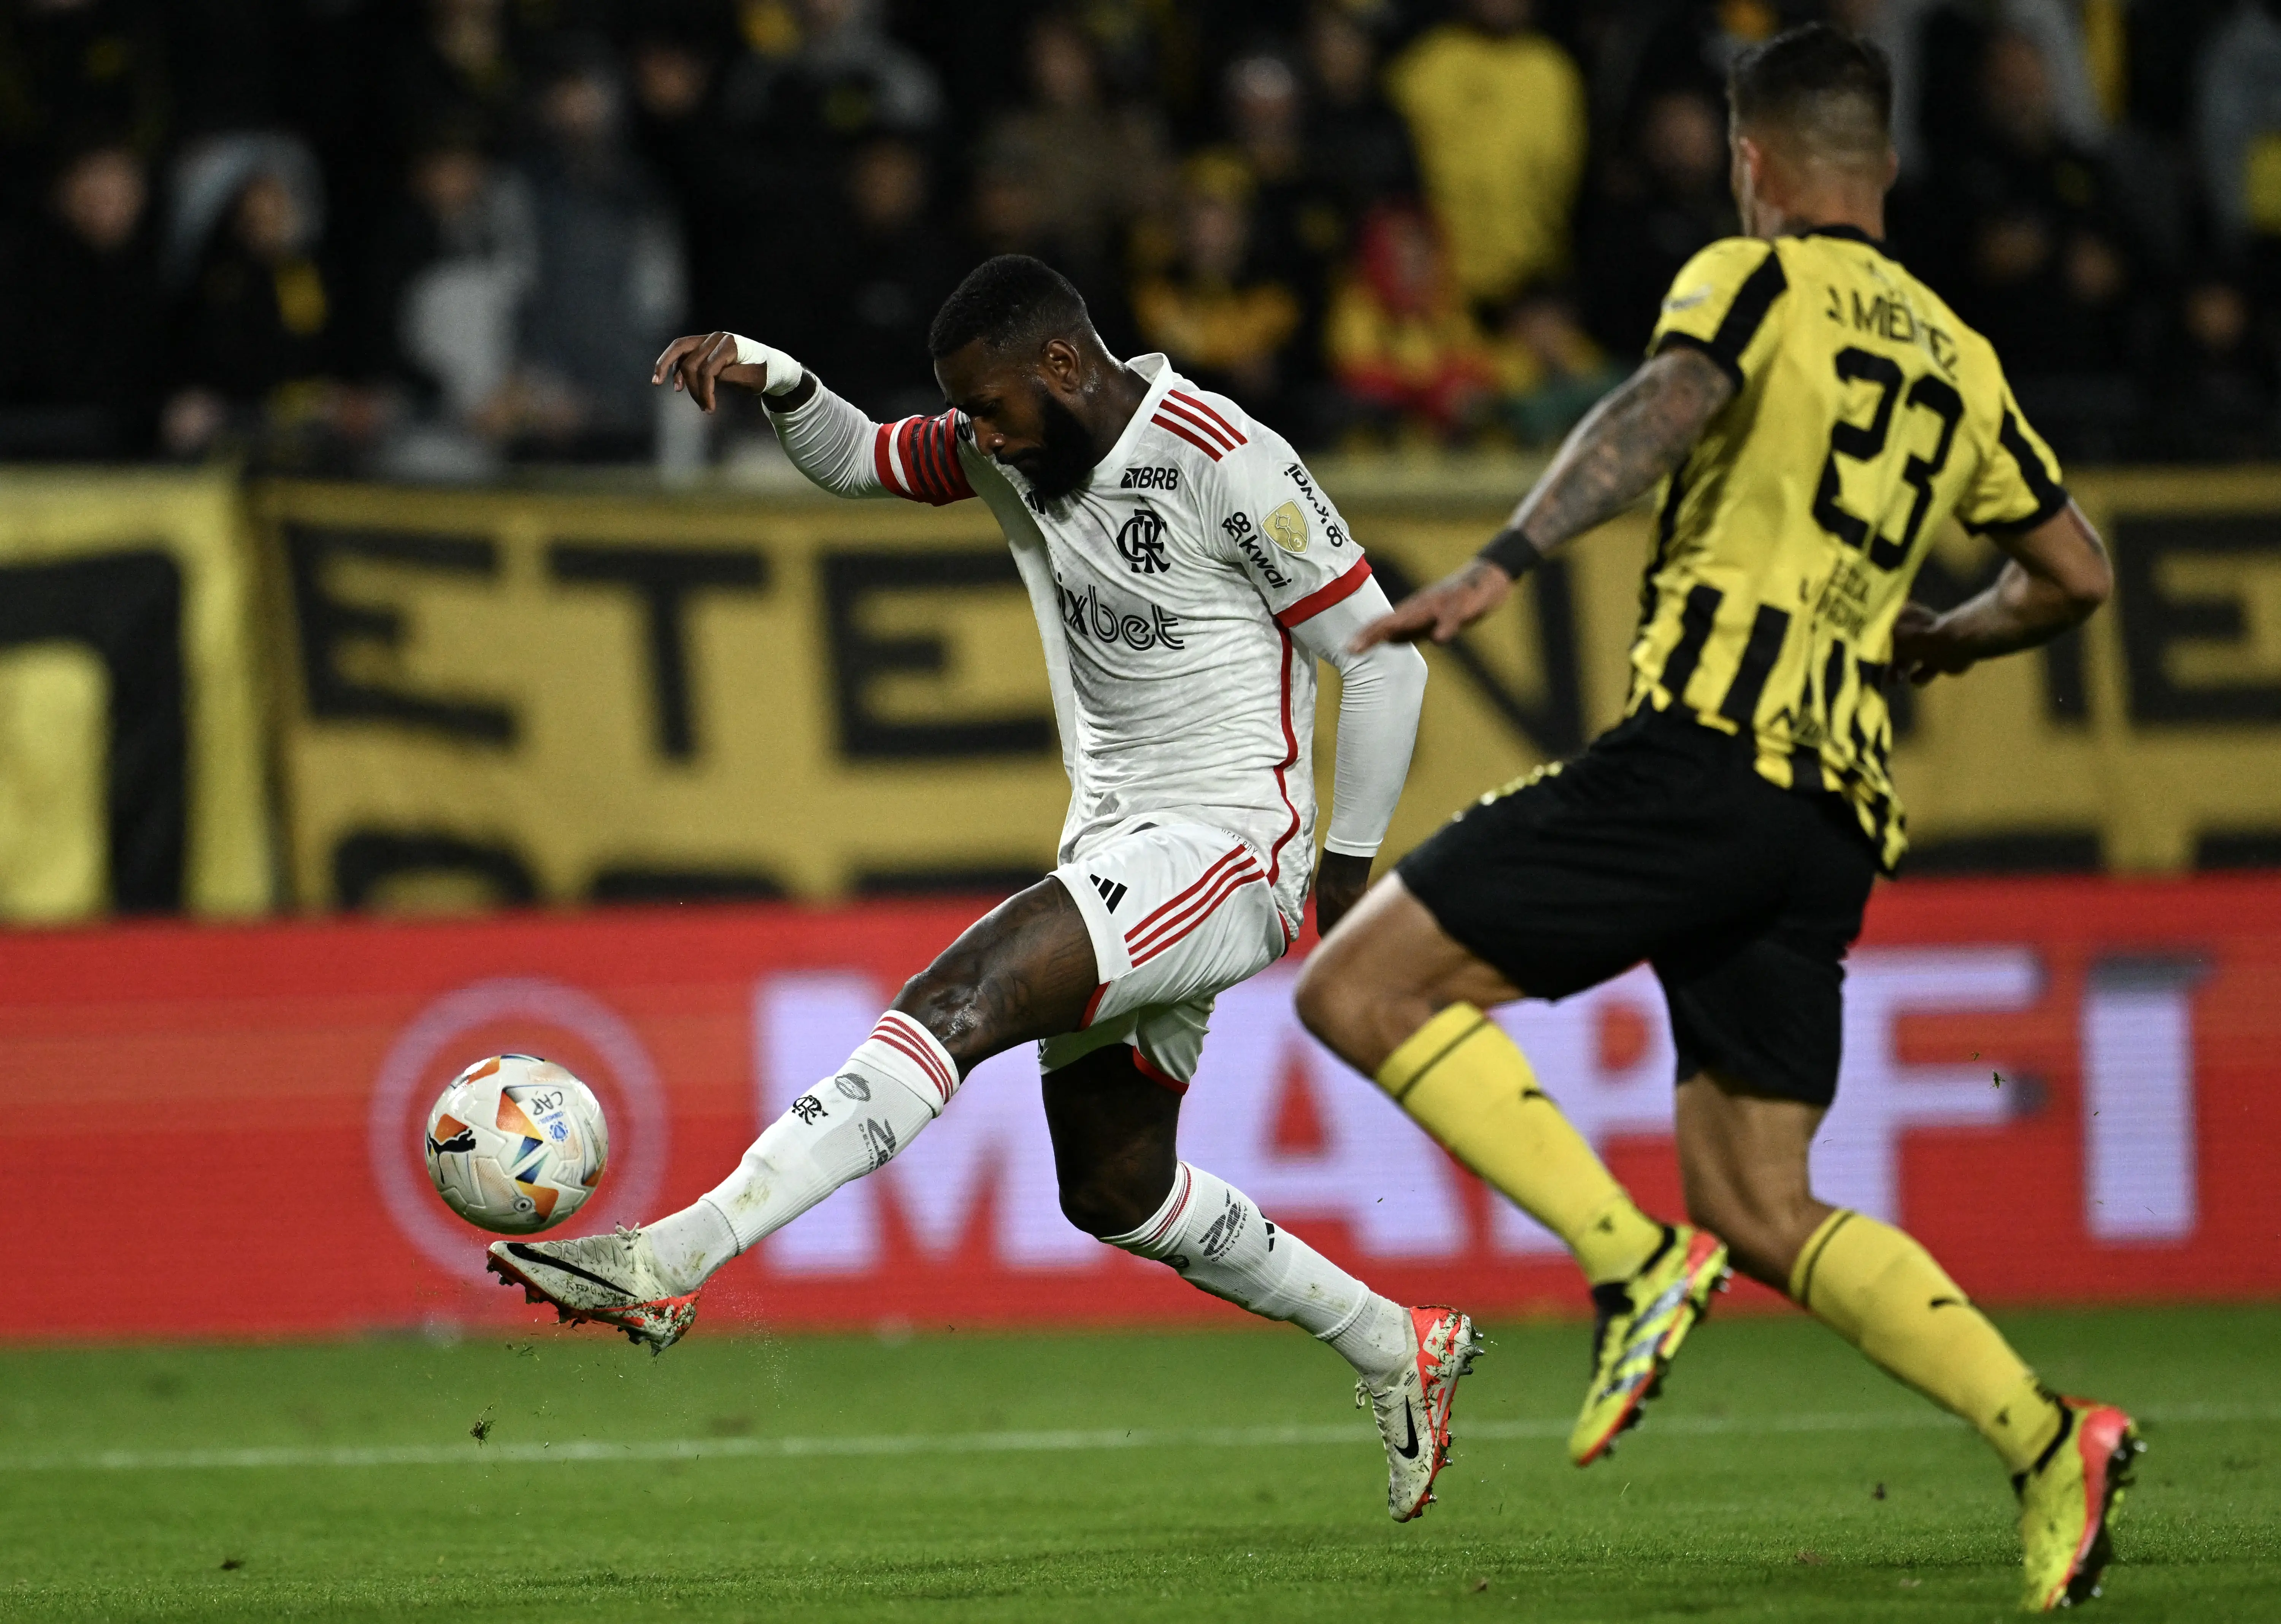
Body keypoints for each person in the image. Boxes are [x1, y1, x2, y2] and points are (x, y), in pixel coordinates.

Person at [1292, 25, 2135, 1612]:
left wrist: (1504, 558)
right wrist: (1940, 637)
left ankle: (1624, 1264)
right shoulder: (1958, 352)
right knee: (1759, 1196)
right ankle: (2045, 1438)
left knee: (1356, 981)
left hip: (1706, 749)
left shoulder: (1746, 281)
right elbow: (2074, 571)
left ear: (1751, 163)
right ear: (1881, 166)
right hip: (1829, 811)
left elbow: (1664, 403)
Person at [488, 254, 1478, 1523]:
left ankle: (670, 1257)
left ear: (1063, 365)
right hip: (1121, 841)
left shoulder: (1225, 456)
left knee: (954, 996)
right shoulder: (1019, 441)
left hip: (1234, 844)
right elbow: (864, 460)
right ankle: (1398, 1343)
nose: (981, 434)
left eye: (995, 406)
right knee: (1114, 1190)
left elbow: (1382, 661)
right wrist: (778, 376)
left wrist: (1345, 870)